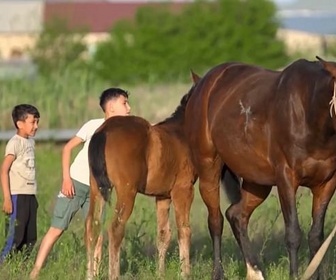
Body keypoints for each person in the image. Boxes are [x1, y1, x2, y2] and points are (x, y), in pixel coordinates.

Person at [29, 87, 130, 279]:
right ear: (111, 108)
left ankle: (92, 274)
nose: (129, 108)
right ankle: (35, 272)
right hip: (76, 184)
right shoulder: (93, 125)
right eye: (124, 103)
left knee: (98, 236)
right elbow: (67, 148)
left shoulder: (125, 134)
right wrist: (66, 179)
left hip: (99, 192)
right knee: (56, 229)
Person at [0, 104, 40, 263]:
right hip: (17, 195)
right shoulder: (14, 143)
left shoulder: (31, 142)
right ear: (20, 123)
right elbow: (4, 171)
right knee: (15, 236)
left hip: (30, 195)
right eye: (33, 122)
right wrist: (7, 198)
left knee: (30, 237)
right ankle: (3, 264)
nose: (36, 126)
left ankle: (22, 267)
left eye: (37, 122)